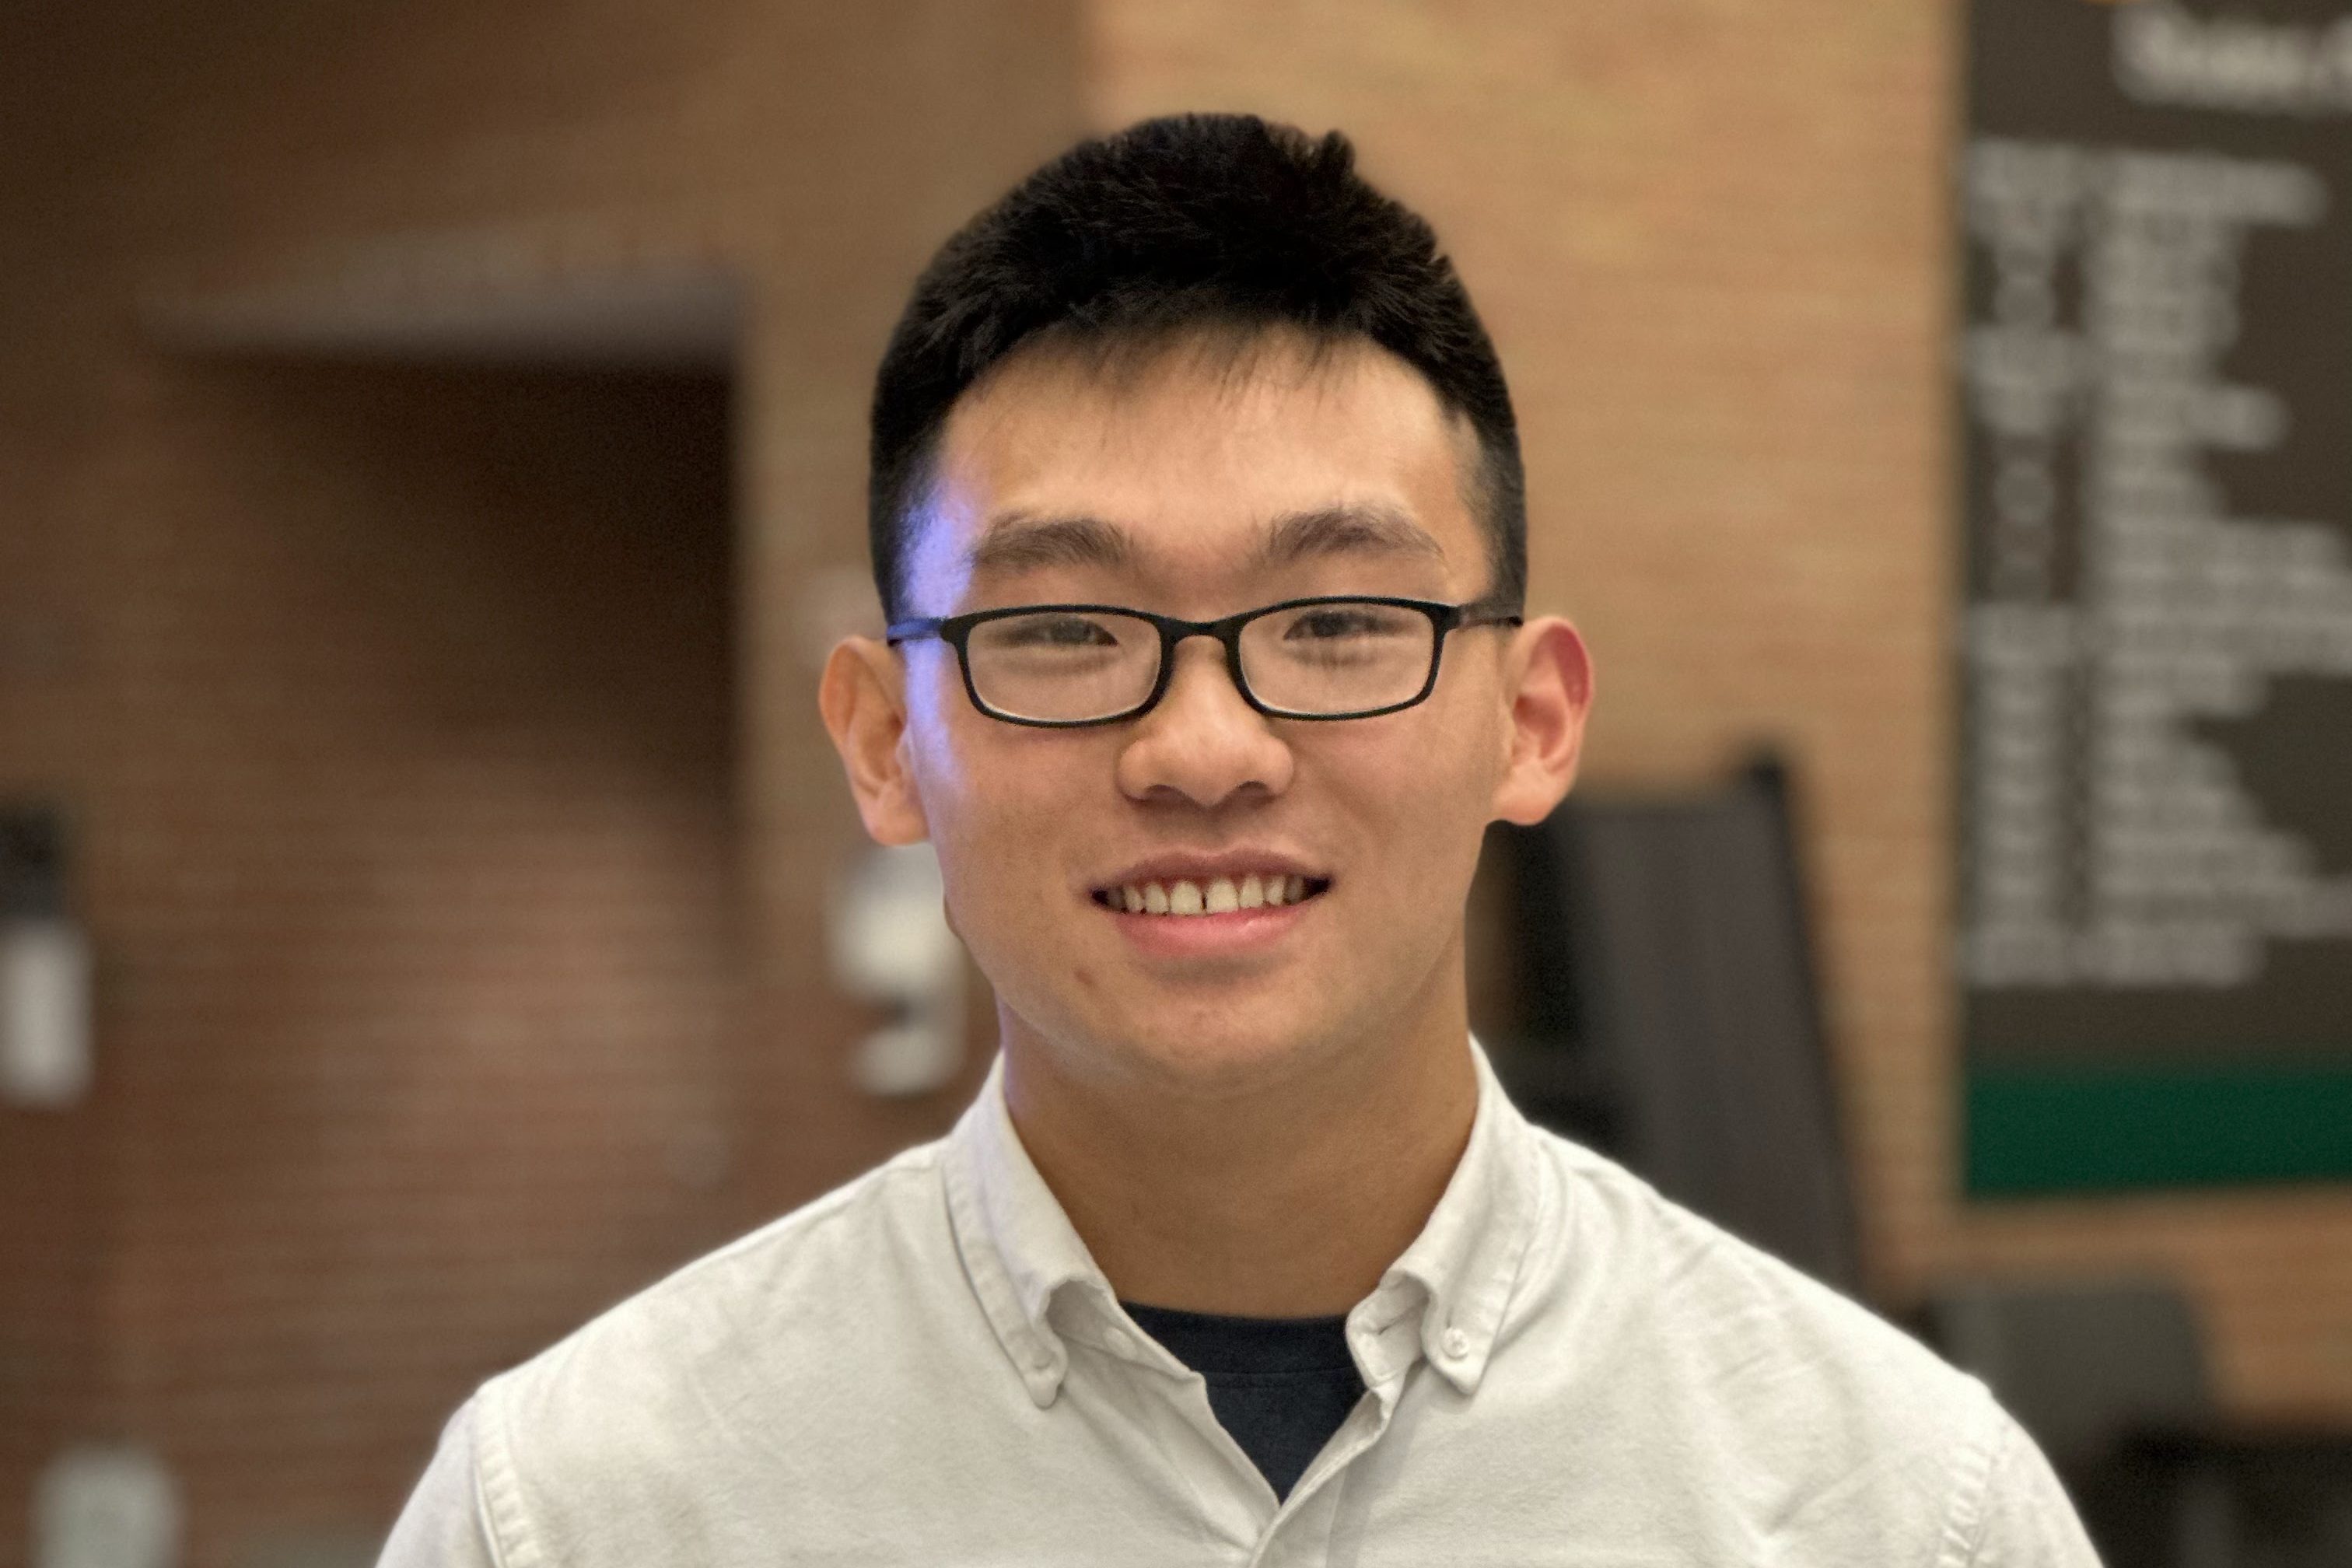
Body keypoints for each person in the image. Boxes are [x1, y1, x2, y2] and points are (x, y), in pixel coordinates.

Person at [379, 114, 2098, 1566]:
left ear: (1532, 721)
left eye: (1336, 621)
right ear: (887, 745)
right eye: (1062, 630)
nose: (1203, 751)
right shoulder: (582, 1513)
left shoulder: (1900, 1512)